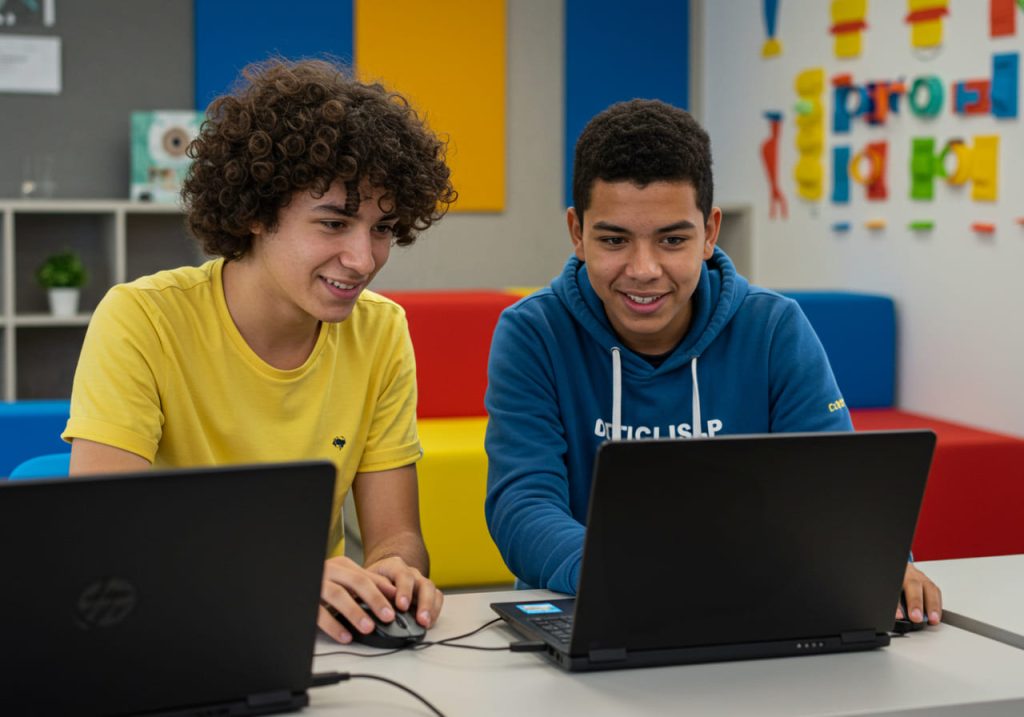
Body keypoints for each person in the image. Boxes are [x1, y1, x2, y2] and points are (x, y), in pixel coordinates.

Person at [484, 99, 941, 627]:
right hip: (586, 604)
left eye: (672, 240)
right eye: (613, 240)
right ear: (576, 233)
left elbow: (833, 489)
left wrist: (880, 561)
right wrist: (624, 574)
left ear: (710, 232)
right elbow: (523, 504)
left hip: (755, 607)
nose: (644, 269)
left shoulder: (774, 328)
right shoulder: (533, 333)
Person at [62, 58, 457, 643]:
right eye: (334, 224)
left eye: (381, 228)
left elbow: (397, 536)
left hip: (315, 639)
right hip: (165, 628)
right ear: (254, 213)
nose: (363, 259)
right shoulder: (142, 319)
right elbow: (105, 537)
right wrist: (281, 576)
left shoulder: (381, 330)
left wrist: (394, 573)